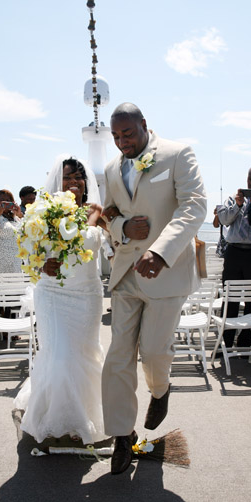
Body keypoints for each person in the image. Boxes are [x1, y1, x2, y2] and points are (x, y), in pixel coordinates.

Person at [101, 103, 207, 474]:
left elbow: (195, 207)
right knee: (117, 356)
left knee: (153, 352)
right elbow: (108, 213)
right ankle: (120, 436)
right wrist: (122, 229)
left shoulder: (178, 154)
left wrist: (161, 253)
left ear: (144, 125)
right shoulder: (111, 169)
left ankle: (161, 390)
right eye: (115, 137)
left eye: (127, 134)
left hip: (167, 272)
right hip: (125, 273)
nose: (122, 143)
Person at [14, 157, 106, 444]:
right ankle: (59, 417)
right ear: (58, 180)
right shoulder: (41, 212)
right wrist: (41, 266)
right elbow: (28, 250)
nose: (74, 182)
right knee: (61, 355)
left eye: (79, 177)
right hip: (53, 291)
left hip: (87, 293)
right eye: (68, 177)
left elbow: (90, 238)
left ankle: (86, 415)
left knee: (84, 353)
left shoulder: (94, 209)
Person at [216, 166, 251, 348]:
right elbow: (224, 220)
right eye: (250, 179)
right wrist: (237, 205)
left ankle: (245, 343)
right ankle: (226, 343)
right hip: (234, 251)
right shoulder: (233, 198)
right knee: (230, 297)